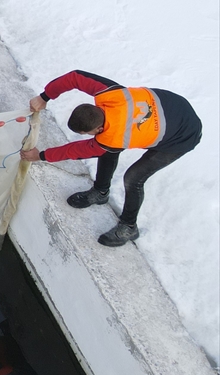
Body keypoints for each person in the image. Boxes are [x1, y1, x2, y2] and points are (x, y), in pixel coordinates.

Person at [20, 70, 202, 247]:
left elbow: (75, 151)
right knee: (109, 149)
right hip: (172, 106)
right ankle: (100, 192)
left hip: (182, 136)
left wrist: (41, 155)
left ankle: (129, 227)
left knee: (133, 178)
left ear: (98, 128)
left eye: (86, 133)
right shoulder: (110, 93)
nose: (87, 137)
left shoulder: (113, 138)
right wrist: (44, 97)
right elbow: (74, 77)